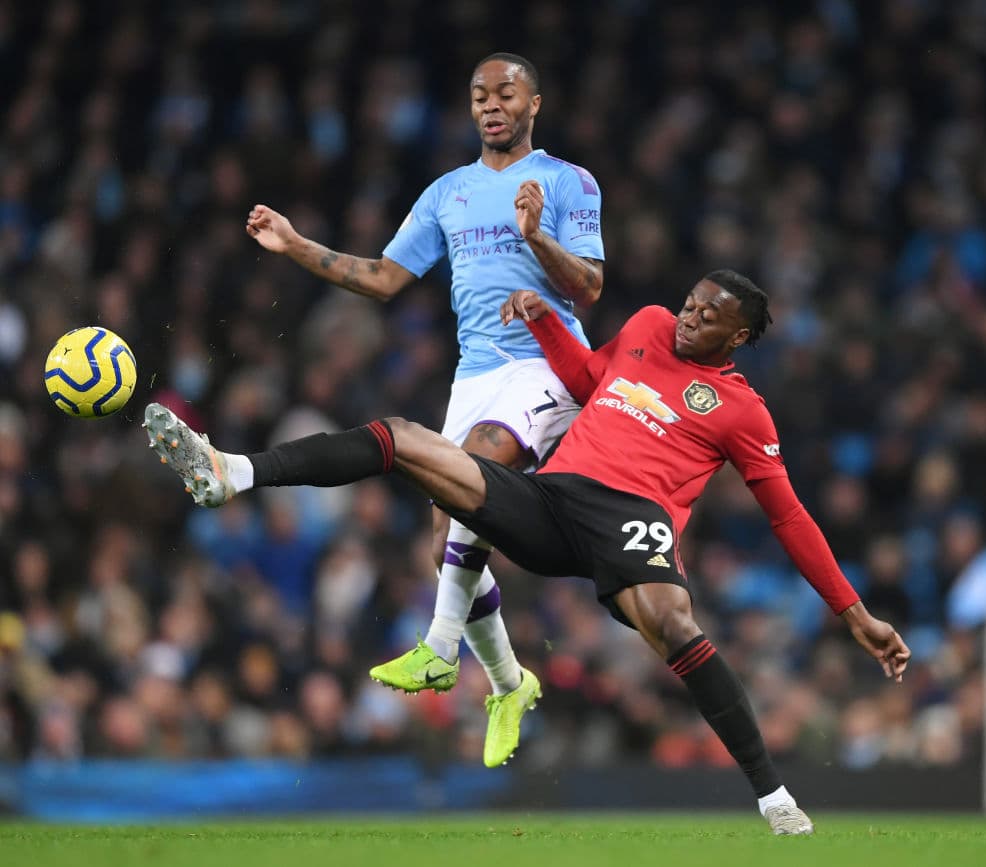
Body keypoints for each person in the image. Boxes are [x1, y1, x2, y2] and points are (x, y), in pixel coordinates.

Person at [143, 269, 911, 835]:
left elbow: (789, 516)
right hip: (552, 496)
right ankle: (234, 472)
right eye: (689, 304)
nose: (688, 320)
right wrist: (547, 320)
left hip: (633, 519)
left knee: (673, 621)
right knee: (409, 441)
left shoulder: (742, 410)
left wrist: (854, 613)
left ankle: (773, 795)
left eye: (709, 318)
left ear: (738, 337)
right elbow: (589, 378)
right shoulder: (646, 325)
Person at [244, 52, 604, 768]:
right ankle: (508, 681)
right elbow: (382, 278)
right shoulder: (448, 193)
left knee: (482, 465)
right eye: (479, 95)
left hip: (547, 360)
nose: (491, 104)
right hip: (473, 376)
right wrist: (293, 245)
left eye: (506, 92)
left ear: (535, 102)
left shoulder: (569, 182)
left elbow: (590, 285)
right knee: (447, 522)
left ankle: (439, 647)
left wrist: (537, 238)